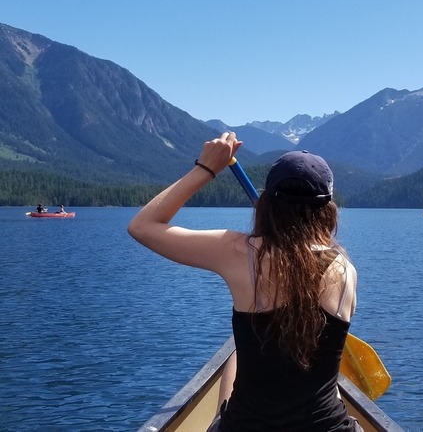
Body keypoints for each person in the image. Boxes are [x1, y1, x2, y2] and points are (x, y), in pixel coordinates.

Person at [128, 132, 360, 432]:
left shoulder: (238, 251)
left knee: (235, 355)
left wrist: (206, 168)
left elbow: (142, 226)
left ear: (267, 204)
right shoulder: (345, 269)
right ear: (328, 211)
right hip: (328, 428)